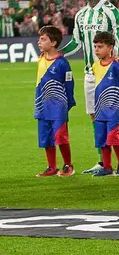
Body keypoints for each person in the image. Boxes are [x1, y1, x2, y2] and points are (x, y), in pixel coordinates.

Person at [62, 0, 119, 176]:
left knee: (117, 118)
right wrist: (60, 53)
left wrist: (118, 57)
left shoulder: (112, 12)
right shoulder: (81, 15)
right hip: (90, 74)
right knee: (95, 118)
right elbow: (76, 42)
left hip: (109, 74)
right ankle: (104, 162)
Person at [34, 26, 75, 177]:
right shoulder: (41, 58)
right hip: (42, 104)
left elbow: (69, 84)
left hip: (58, 106)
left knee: (61, 136)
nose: (39, 42)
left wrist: (68, 103)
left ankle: (68, 165)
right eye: (39, 39)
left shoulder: (62, 63)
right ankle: (52, 167)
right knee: (46, 137)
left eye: (43, 39)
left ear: (53, 42)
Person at [90, 31, 119, 178]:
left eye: (100, 46)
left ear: (110, 48)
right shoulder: (95, 66)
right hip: (100, 109)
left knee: (113, 136)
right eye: (95, 46)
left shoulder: (116, 66)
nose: (96, 50)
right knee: (101, 137)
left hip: (115, 109)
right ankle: (107, 167)